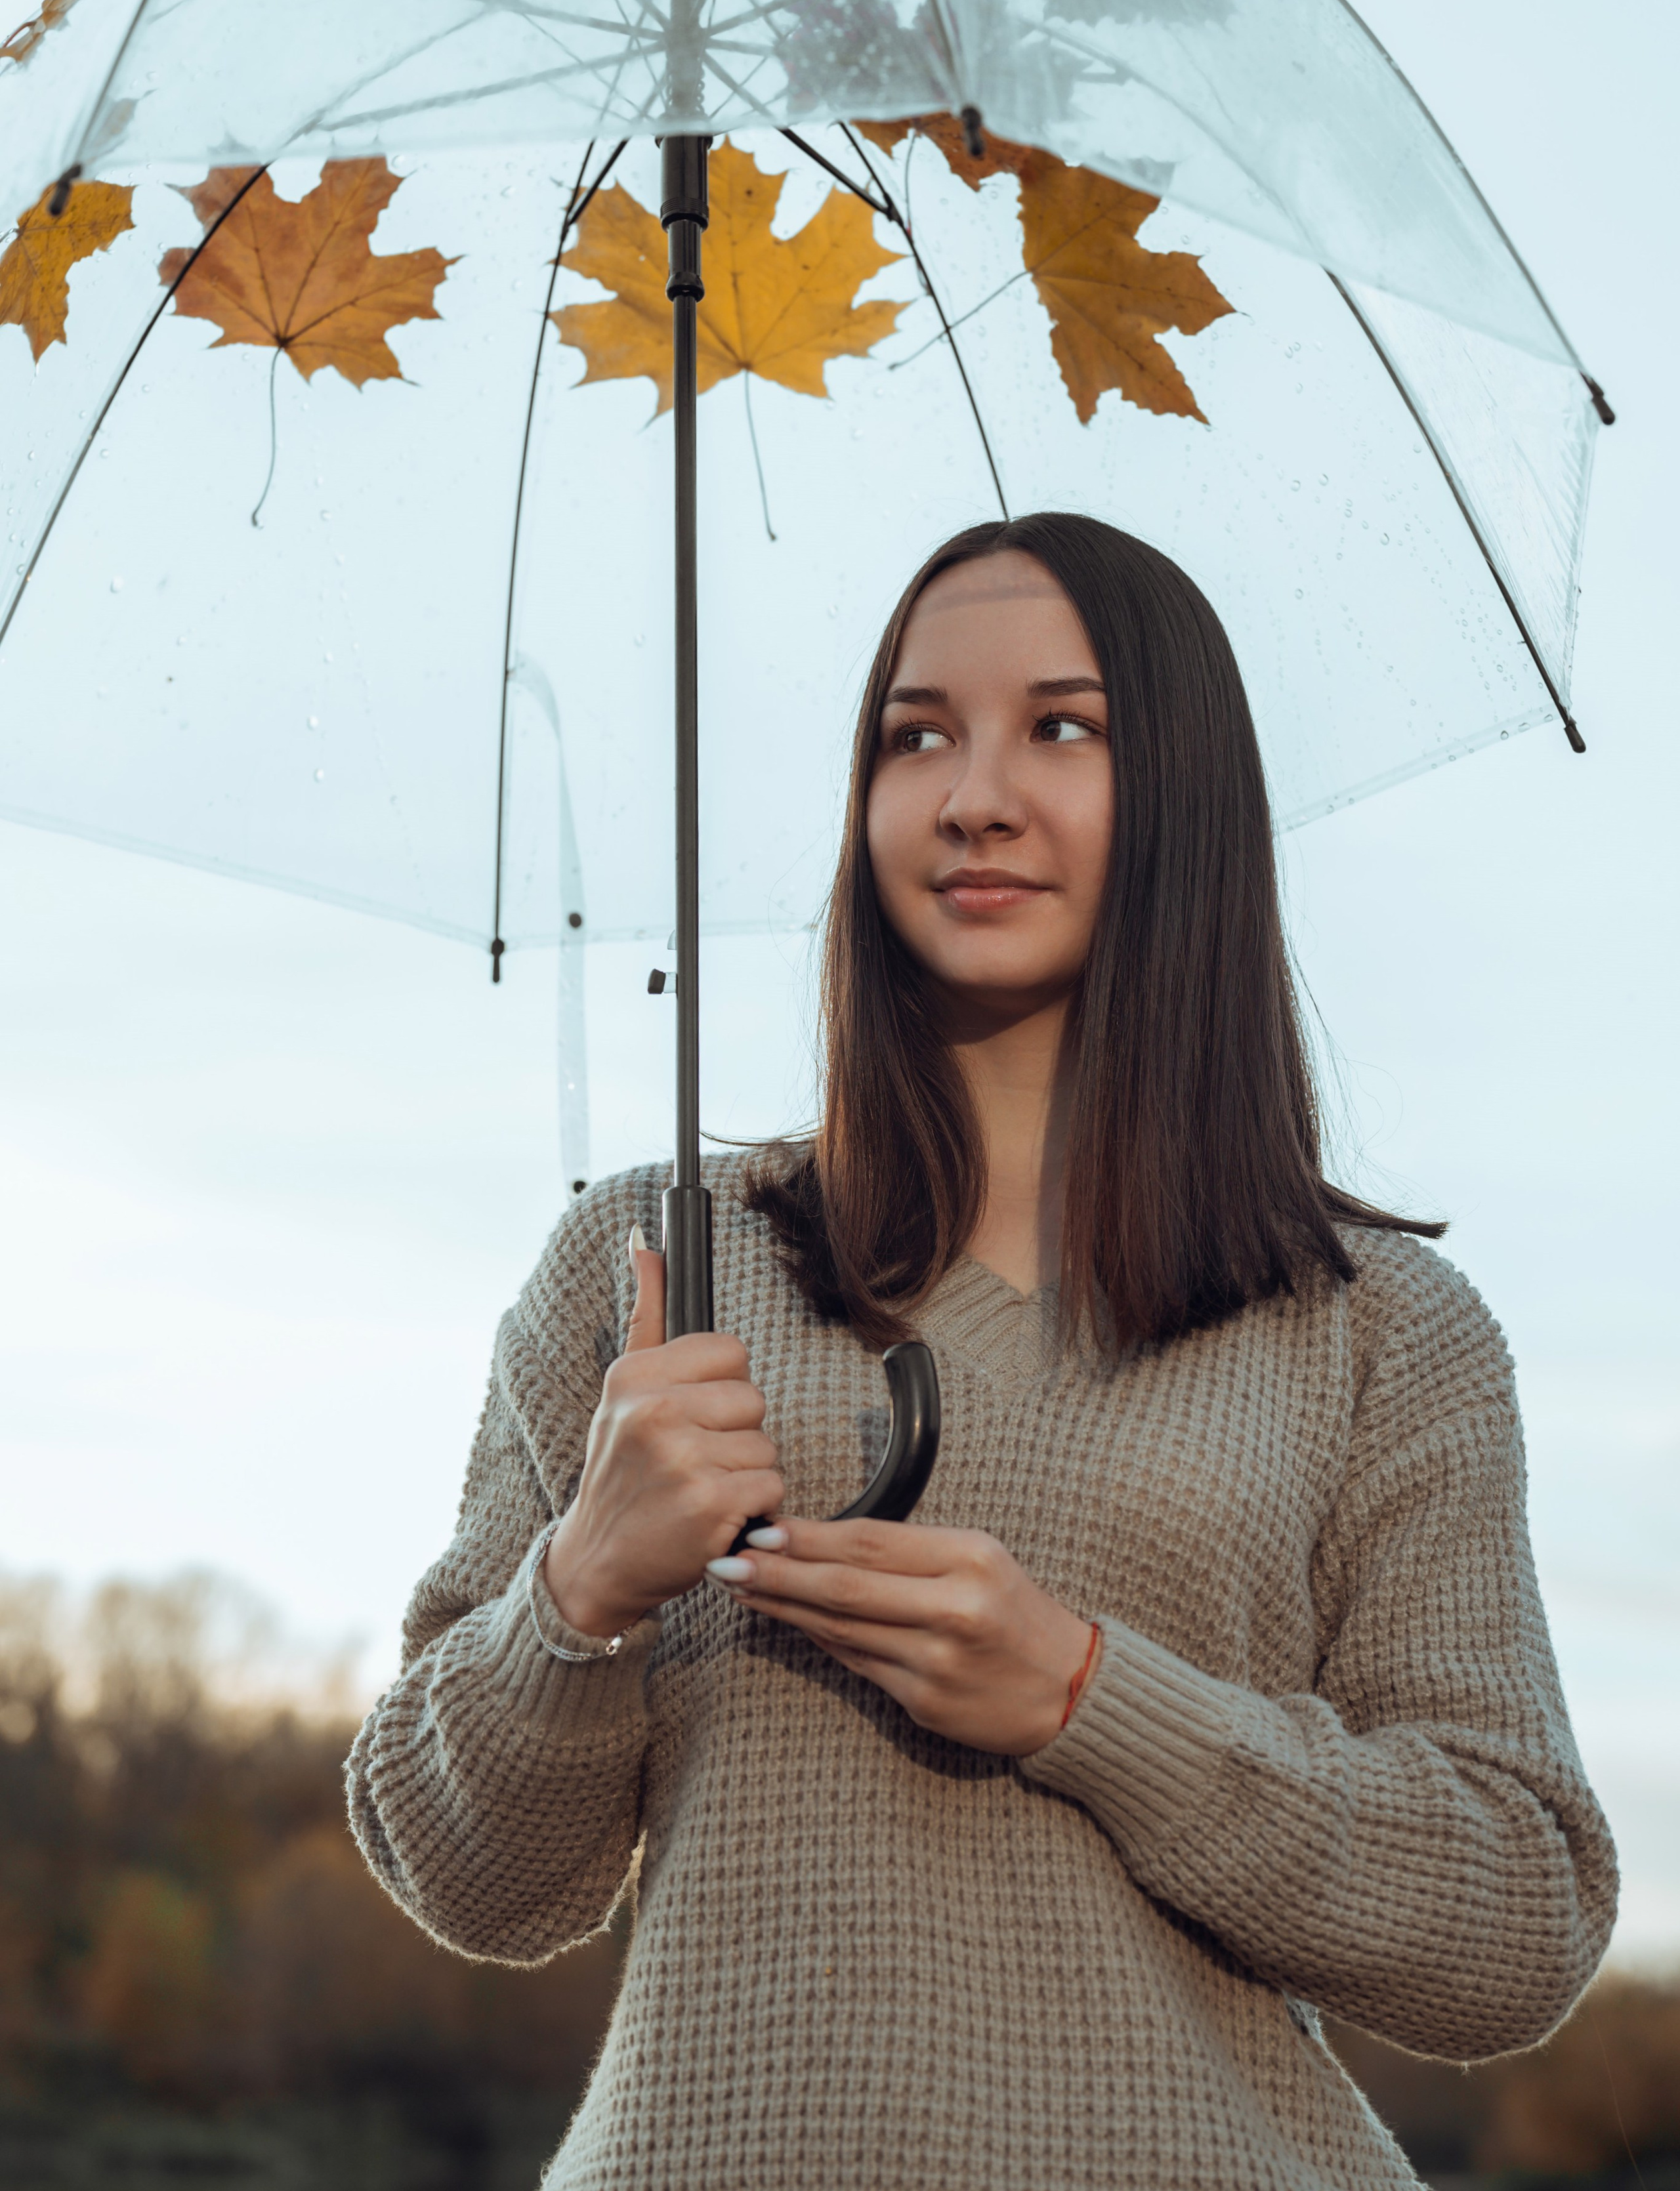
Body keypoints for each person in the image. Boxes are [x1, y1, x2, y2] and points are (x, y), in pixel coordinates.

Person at [348, 514, 1616, 2191]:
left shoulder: (1379, 1331)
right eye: (914, 735)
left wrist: (1092, 1698)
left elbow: (1516, 1926)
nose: (972, 795)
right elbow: (471, 1881)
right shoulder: (651, 1268)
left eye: (1061, 728)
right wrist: (579, 1589)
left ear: (1186, 800)